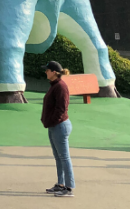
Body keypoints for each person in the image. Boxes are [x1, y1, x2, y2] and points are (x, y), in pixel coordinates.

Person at [41, 60, 75, 197]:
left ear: (54, 72)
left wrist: (51, 121)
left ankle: (69, 187)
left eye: (47, 70)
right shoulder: (54, 85)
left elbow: (61, 109)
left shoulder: (60, 86)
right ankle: (60, 184)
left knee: (64, 157)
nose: (45, 72)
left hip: (59, 126)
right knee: (58, 157)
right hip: (54, 126)